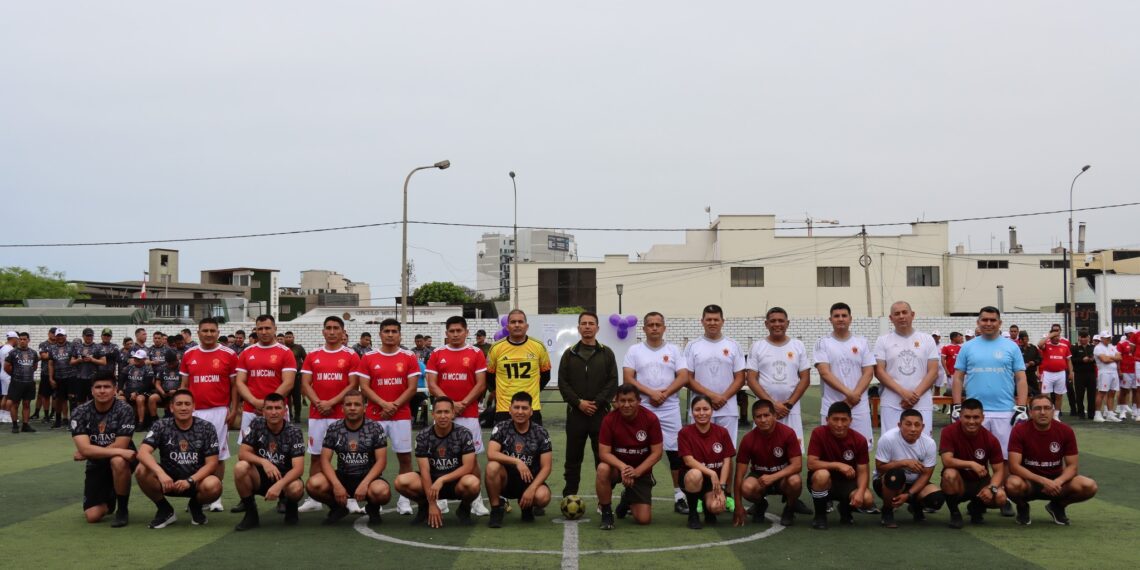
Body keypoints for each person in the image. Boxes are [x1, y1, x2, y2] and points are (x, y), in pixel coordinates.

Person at [951, 306, 1028, 517]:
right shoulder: (968, 347)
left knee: (1004, 459)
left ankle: (1001, 495)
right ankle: (978, 500)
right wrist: (958, 405)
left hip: (1004, 410)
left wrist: (1021, 406)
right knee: (975, 458)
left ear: (999, 323)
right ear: (978, 322)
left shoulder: (1011, 347)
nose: (988, 323)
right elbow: (957, 377)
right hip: (975, 413)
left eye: (992, 320)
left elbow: (1021, 378)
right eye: (984, 320)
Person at [623, 311, 691, 514]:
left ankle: (680, 496)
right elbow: (629, 378)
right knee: (638, 451)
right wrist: (651, 393)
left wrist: (665, 393)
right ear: (643, 329)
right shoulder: (635, 350)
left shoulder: (674, 350)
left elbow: (683, 376)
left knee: (675, 454)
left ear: (664, 328)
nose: (654, 328)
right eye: (650, 325)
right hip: (642, 407)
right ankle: (630, 494)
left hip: (669, 408)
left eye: (657, 324)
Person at [426, 315, 491, 516]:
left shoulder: (476, 353)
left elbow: (481, 383)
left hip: (468, 413)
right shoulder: (437, 353)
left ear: (466, 332)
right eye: (451, 331)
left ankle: (476, 500)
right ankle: (442, 499)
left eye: (459, 331)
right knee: (440, 457)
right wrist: (450, 404)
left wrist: (462, 403)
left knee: (472, 459)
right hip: (444, 414)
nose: (455, 334)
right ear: (446, 333)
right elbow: (432, 383)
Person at [357, 318, 421, 515]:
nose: (391, 334)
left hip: (400, 415)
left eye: (394, 331)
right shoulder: (369, 357)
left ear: (400, 334)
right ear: (380, 334)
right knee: (371, 458)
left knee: (404, 457)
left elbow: (412, 388)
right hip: (375, 415)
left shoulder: (409, 357)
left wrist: (393, 406)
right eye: (387, 331)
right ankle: (374, 498)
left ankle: (404, 500)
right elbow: (364, 387)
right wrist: (384, 404)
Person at [298, 316, 360, 513]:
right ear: (323, 331)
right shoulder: (313, 355)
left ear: (343, 332)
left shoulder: (351, 355)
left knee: (348, 456)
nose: (332, 332)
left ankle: (351, 497)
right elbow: (306, 383)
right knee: (316, 456)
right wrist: (318, 403)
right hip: (318, 414)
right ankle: (314, 498)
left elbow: (353, 385)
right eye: (328, 328)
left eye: (336, 328)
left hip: (342, 414)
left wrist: (332, 403)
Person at [1005, 394, 1098, 525]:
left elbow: (1072, 466)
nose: (1042, 412)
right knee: (1011, 484)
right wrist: (1043, 481)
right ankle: (1022, 507)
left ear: (1053, 411)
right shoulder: (1019, 431)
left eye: (1047, 408)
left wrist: (1058, 482)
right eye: (1037, 408)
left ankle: (1058, 506)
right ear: (1030, 412)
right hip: (1029, 482)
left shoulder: (1065, 431)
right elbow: (1014, 466)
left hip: (1057, 484)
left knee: (1089, 486)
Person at [135, 389, 223, 528]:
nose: (183, 408)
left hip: (195, 481)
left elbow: (212, 463)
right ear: (171, 407)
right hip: (168, 481)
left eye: (187, 404)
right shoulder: (161, 425)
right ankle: (165, 510)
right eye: (179, 404)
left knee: (214, 484)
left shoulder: (206, 427)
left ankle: (195, 506)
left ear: (193, 406)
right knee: (141, 470)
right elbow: (142, 453)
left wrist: (190, 480)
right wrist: (161, 474)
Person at [179, 317, 239, 512]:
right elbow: (184, 386)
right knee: (195, 456)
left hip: (219, 412)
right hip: (194, 412)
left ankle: (215, 497)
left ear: (218, 333)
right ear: (198, 333)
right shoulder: (189, 354)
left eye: (212, 331)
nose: (209, 334)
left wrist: (233, 409)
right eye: (205, 331)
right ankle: (198, 496)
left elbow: (235, 386)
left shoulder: (229, 354)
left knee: (218, 456)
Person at [305, 390, 390, 526]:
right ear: (342, 408)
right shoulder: (334, 428)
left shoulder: (375, 428)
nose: (352, 408)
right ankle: (337, 508)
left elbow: (381, 461)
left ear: (364, 408)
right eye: (348, 404)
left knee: (382, 492)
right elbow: (325, 460)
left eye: (357, 404)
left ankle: (373, 509)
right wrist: (337, 485)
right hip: (343, 476)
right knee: (313, 484)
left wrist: (365, 483)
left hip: (368, 477)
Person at [558, 312, 619, 499]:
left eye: (591, 323)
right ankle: (570, 495)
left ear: (597, 328)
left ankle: (604, 500)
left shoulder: (606, 353)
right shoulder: (569, 354)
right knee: (573, 458)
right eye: (583, 323)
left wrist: (597, 403)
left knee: (602, 459)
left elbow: (612, 381)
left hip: (600, 415)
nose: (587, 326)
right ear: (578, 328)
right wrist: (579, 403)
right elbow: (563, 383)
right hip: (576, 414)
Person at [396, 397, 481, 528]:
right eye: (439, 412)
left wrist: (442, 480)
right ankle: (424, 506)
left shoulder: (464, 433)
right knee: (401, 482)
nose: (443, 416)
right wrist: (432, 504)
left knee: (473, 483)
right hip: (431, 482)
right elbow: (424, 471)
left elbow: (468, 467)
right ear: (433, 414)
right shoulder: (423, 436)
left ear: (453, 413)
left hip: (456, 481)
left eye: (446, 412)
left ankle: (464, 509)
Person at [70, 376, 137, 527]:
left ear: (114, 390)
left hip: (122, 457)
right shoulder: (80, 411)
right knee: (92, 516)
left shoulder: (125, 409)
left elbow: (121, 444)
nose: (102, 390)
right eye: (98, 387)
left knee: (118, 460)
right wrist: (87, 451)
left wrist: (88, 452)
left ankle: (122, 509)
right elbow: (84, 448)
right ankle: (110, 498)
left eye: (106, 387)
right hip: (96, 461)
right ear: (92, 390)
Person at [233, 393, 306, 530]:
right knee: (240, 467)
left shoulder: (294, 432)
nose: (273, 412)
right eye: (269, 408)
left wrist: (279, 485)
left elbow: (298, 469)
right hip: (260, 478)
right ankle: (251, 514)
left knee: (296, 488)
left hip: (285, 480)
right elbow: (242, 453)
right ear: (263, 411)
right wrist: (264, 462)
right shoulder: (256, 424)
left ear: (285, 411)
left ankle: (290, 507)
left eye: (278, 408)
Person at [596, 384, 664, 530]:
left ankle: (627, 499)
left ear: (639, 401)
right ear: (617, 402)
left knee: (643, 519)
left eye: (631, 400)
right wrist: (624, 468)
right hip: (617, 468)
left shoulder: (650, 419)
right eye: (622, 400)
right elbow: (604, 453)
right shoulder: (609, 420)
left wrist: (637, 471)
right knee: (602, 468)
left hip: (641, 469)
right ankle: (606, 513)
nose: (626, 405)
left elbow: (657, 452)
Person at [486, 391, 553, 528]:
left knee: (543, 496)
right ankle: (496, 509)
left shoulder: (541, 432)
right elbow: (491, 453)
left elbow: (546, 467)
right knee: (492, 467)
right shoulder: (502, 427)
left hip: (529, 480)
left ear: (531, 411)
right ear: (510, 410)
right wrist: (517, 461)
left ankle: (527, 507)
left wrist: (532, 489)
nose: (520, 412)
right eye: (516, 407)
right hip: (506, 480)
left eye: (524, 408)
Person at [814, 302, 876, 447]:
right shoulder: (822, 343)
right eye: (836, 316)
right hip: (832, 405)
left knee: (861, 447)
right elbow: (824, 372)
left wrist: (855, 396)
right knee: (831, 448)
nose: (840, 319)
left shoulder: (862, 342)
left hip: (859, 406)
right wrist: (850, 394)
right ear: (830, 320)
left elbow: (868, 372)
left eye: (844, 316)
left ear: (850, 318)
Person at [873, 301, 939, 437]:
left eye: (905, 312)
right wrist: (903, 393)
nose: (901, 316)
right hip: (892, 402)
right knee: (892, 445)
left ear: (912, 314)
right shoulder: (882, 340)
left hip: (921, 402)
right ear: (891, 318)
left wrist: (915, 396)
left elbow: (933, 371)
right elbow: (879, 371)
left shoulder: (927, 340)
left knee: (922, 445)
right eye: (897, 314)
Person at [939, 398, 1007, 528]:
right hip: (959, 482)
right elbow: (947, 460)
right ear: (960, 416)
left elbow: (999, 470)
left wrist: (991, 488)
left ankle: (976, 508)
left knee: (1001, 497)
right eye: (967, 417)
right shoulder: (948, 432)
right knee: (949, 474)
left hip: (980, 482)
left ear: (982, 418)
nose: (971, 421)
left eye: (976, 417)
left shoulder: (990, 439)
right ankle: (955, 513)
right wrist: (971, 464)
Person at [747, 307, 810, 445]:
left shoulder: (798, 345)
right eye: (773, 321)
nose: (777, 324)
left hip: (790, 410)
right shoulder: (757, 346)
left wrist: (789, 404)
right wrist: (772, 405)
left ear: (787, 323)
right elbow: (751, 379)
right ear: (766, 324)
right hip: (765, 411)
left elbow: (805, 378)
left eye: (781, 321)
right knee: (764, 450)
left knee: (793, 451)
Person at [733, 399, 802, 527]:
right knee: (746, 487)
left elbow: (797, 465)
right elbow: (739, 475)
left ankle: (789, 509)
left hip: (782, 478)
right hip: (760, 478)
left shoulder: (788, 433)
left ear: (775, 416)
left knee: (795, 481)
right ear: (754, 419)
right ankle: (761, 504)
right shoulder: (748, 439)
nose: (763, 420)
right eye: (758, 417)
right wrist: (738, 505)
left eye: (766, 415)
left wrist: (774, 476)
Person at [682, 304, 746, 441]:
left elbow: (740, 378)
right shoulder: (692, 346)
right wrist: (711, 397)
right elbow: (687, 378)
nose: (712, 323)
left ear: (723, 321)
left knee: (727, 451)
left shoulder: (734, 345)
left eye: (716, 319)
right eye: (709, 319)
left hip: (727, 408)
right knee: (700, 450)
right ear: (702, 321)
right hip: (700, 409)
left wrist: (722, 398)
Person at [807, 402, 874, 530]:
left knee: (867, 499)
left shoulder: (859, 440)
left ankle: (845, 509)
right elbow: (811, 463)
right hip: (825, 482)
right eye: (835, 419)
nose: (839, 424)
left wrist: (860, 492)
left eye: (844, 420)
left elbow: (863, 471)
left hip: (848, 484)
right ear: (827, 420)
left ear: (850, 421)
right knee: (822, 475)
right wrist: (838, 465)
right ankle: (820, 516)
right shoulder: (818, 433)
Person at [872, 409, 943, 528]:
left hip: (914, 483)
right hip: (887, 482)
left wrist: (908, 495)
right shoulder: (888, 438)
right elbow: (880, 469)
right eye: (908, 424)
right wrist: (903, 463)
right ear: (899, 425)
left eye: (917, 425)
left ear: (923, 426)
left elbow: (926, 475)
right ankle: (887, 511)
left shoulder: (929, 443)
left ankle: (915, 506)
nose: (913, 429)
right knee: (895, 476)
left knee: (937, 499)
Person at [678, 395, 736, 529]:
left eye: (706, 409)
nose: (702, 413)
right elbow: (688, 461)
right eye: (697, 410)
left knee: (717, 507)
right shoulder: (685, 432)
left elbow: (727, 461)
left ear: (712, 411)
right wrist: (711, 473)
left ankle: (707, 507)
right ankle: (693, 515)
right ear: (692, 412)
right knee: (695, 474)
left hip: (713, 483)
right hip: (691, 479)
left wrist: (721, 487)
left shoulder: (722, 432)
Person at [235, 315, 297, 439]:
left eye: (268, 328)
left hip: (277, 410)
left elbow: (288, 383)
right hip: (251, 410)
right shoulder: (246, 353)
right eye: (260, 329)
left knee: (280, 450)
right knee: (247, 451)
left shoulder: (286, 352)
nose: (264, 332)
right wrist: (254, 402)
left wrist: (268, 405)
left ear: (275, 328)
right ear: (256, 330)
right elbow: (240, 382)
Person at [487, 309, 552, 424]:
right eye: (513, 322)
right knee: (502, 442)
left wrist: (533, 392)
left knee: (532, 442)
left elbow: (546, 376)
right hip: (504, 408)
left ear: (526, 326)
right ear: (507, 327)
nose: (517, 325)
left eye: (520, 322)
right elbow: (490, 377)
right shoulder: (496, 348)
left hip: (531, 408)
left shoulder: (538, 347)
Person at [4, 332, 39, 433]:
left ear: (28, 340)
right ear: (18, 340)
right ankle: (15, 425)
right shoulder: (13, 353)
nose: (22, 341)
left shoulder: (33, 353)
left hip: (29, 382)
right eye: (21, 339)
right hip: (16, 383)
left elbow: (35, 366)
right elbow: (6, 367)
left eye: (24, 339)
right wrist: (15, 375)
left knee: (27, 404)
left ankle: (25, 425)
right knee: (15, 404)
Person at [70, 327, 109, 410]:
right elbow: (71, 362)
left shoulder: (98, 347)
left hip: (93, 378)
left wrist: (92, 359)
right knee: (80, 400)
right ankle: (82, 417)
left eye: (91, 336)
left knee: (94, 399)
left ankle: (93, 418)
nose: (89, 337)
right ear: (83, 336)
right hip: (80, 378)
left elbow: (104, 362)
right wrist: (79, 360)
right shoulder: (78, 347)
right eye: (87, 336)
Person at [1039, 330, 1075, 420]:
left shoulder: (1064, 346)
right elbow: (1039, 344)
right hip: (1048, 374)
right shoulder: (1046, 345)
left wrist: (1071, 372)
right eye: (1054, 336)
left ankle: (1056, 415)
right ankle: (1046, 412)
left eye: (1058, 336)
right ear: (1051, 337)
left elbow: (1069, 360)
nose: (1057, 338)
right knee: (1044, 395)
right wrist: (1049, 335)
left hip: (1061, 373)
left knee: (1059, 395)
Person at [46, 328, 76, 429]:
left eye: (62, 335)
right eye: (58, 335)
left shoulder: (72, 346)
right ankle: (58, 421)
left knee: (72, 399)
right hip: (58, 377)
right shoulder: (52, 348)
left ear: (65, 336)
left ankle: (72, 422)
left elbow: (76, 360)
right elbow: (50, 364)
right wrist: (51, 378)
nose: (60, 337)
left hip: (71, 376)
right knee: (58, 399)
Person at [120, 349, 157, 428]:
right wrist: (120, 389)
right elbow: (121, 378)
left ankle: (141, 423)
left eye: (138, 359)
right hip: (129, 391)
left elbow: (147, 384)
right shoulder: (129, 367)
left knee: (139, 399)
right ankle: (124, 421)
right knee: (120, 399)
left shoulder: (148, 369)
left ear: (144, 359)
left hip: (143, 391)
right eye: (135, 358)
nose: (136, 360)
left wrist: (136, 392)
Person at [1091, 331, 1122, 422]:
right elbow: (1104, 360)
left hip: (1113, 372)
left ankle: (1110, 414)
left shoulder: (1112, 347)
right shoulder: (1098, 348)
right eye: (1107, 338)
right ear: (1102, 338)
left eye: (1109, 337)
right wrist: (1113, 358)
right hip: (1104, 372)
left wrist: (1110, 358)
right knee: (1101, 393)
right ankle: (1097, 414)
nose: (1109, 339)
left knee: (1112, 393)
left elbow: (1119, 357)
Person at [32, 327, 58, 423]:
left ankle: (52, 414)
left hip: (58, 373)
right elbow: (43, 356)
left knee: (56, 396)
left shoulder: (59, 345)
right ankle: (46, 415)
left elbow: (47, 356)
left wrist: (49, 354)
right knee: (45, 395)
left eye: (55, 333)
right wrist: (55, 355)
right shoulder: (43, 344)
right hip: (45, 373)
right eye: (52, 333)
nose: (54, 335)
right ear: (49, 334)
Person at [1070, 331, 1096, 418]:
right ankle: (1081, 413)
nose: (1084, 339)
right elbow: (1071, 360)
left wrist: (1092, 359)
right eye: (1082, 337)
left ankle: (1091, 414)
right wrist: (1082, 360)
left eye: (1086, 337)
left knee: (1092, 395)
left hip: (1091, 374)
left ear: (1089, 338)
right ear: (1079, 338)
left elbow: (1097, 358)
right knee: (1079, 395)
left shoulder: (1093, 347)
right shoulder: (1074, 347)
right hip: (1079, 374)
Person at [283, 331, 307, 422]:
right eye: (287, 337)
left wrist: (302, 371)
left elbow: (306, 359)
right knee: (285, 397)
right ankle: (288, 415)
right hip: (284, 377)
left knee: (297, 397)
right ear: (284, 338)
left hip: (296, 376)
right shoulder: (282, 348)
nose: (288, 339)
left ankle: (297, 416)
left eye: (290, 337)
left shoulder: (299, 348)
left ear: (293, 338)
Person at [1114, 329, 1135, 419]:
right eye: (1133, 333)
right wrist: (1119, 370)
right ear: (1129, 333)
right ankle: (1122, 411)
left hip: (1136, 370)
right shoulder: (1121, 343)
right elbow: (1118, 358)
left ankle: (1135, 411)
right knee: (1124, 391)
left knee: (1136, 391)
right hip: (1125, 370)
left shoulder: (1136, 343)